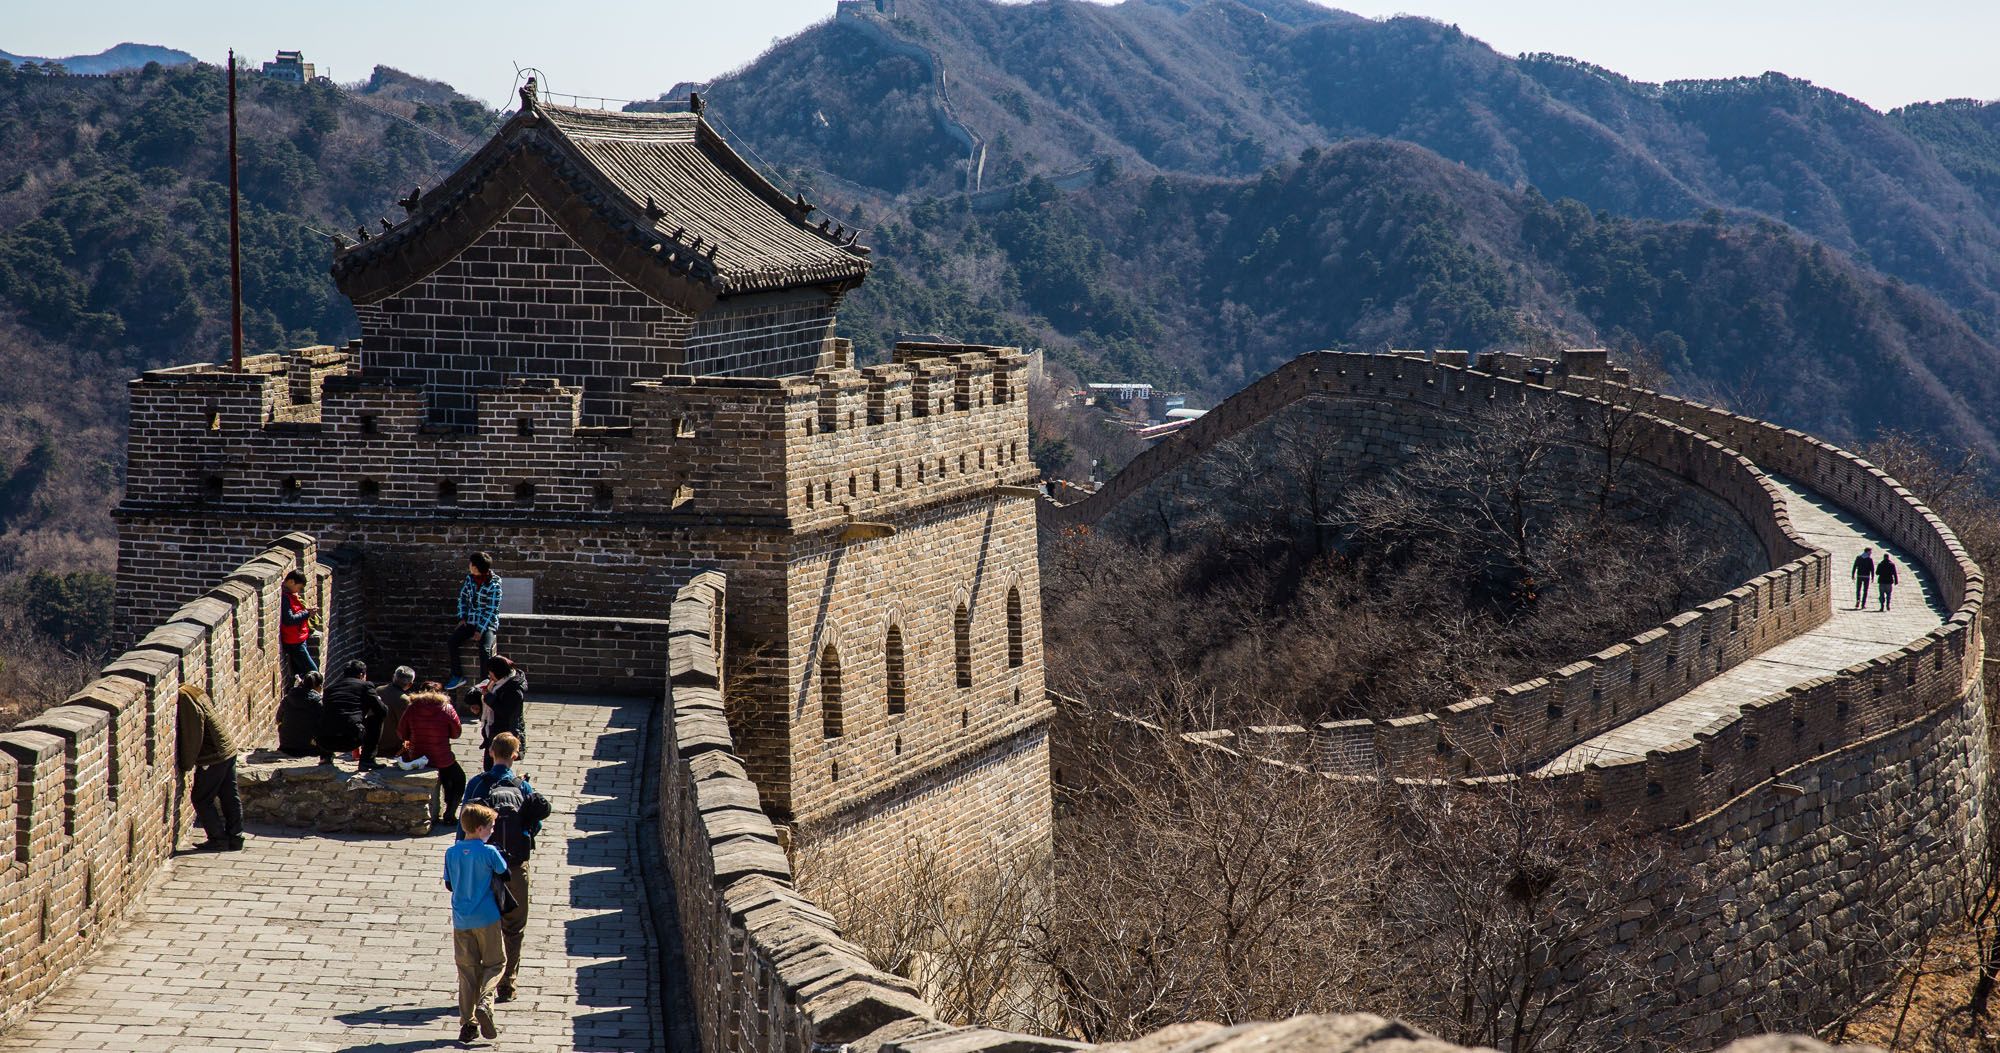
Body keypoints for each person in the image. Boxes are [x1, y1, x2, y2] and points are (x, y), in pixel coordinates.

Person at [462, 733, 552, 1004]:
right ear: (516, 754)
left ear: (491, 752)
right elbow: (533, 825)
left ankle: (482, 981)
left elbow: (463, 826)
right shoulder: (522, 787)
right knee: (514, 927)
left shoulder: (477, 784)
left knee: (483, 924)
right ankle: (508, 983)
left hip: (481, 866)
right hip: (514, 865)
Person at [445, 803, 509, 1045]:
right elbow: (503, 871)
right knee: (495, 963)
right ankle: (485, 1001)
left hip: (461, 920)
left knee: (467, 972)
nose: (492, 831)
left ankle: (467, 1024)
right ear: (481, 828)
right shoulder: (489, 851)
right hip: (487, 917)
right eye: (491, 827)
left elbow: (449, 883)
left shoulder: (451, 853)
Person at [176, 684, 244, 852]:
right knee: (229, 796)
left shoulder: (184, 697)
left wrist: (187, 763)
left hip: (214, 756)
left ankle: (218, 839)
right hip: (228, 750)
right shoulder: (192, 690)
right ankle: (236, 838)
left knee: (201, 798)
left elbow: (194, 733)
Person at [397, 688, 467, 825]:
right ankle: (450, 813)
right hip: (441, 756)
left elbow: (401, 732)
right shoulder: (446, 708)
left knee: (447, 777)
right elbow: (456, 733)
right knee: (458, 779)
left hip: (417, 756)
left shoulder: (412, 708)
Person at [445, 552, 502, 691]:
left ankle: (485, 681)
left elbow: (491, 609)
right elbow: (462, 599)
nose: (469, 565)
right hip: (470, 620)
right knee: (452, 641)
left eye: (471, 563)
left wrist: (480, 629)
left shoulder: (494, 584)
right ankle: (457, 675)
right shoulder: (469, 579)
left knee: (485, 649)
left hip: (487, 624)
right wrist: (462, 617)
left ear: (476, 567)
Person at [318, 660, 387, 771]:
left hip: (324, 741)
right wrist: (377, 700)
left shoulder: (330, 689)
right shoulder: (366, 686)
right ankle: (367, 760)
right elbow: (382, 711)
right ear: (361, 675)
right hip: (350, 739)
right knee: (376, 718)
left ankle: (326, 757)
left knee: (328, 716)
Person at [476, 655, 528, 771]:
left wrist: (488, 697)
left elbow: (505, 712)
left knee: (496, 766)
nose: (490, 676)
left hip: (503, 732)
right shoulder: (499, 682)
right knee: (489, 765)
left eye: (491, 673)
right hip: (492, 728)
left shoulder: (514, 690)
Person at [276, 671, 324, 758]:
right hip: (310, 748)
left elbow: (278, 720)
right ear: (319, 686)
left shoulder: (288, 698)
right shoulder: (318, 702)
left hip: (287, 746)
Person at [280, 570, 317, 681]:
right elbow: (289, 620)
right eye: (299, 587)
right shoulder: (286, 598)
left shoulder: (290, 595)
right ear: (291, 582)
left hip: (298, 639)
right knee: (314, 673)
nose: (298, 591)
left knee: (299, 675)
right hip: (294, 642)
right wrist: (307, 613)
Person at [376, 666, 418, 758]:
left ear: (393, 677)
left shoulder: (378, 690)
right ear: (410, 684)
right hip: (391, 746)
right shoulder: (405, 700)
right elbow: (406, 727)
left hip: (373, 741)